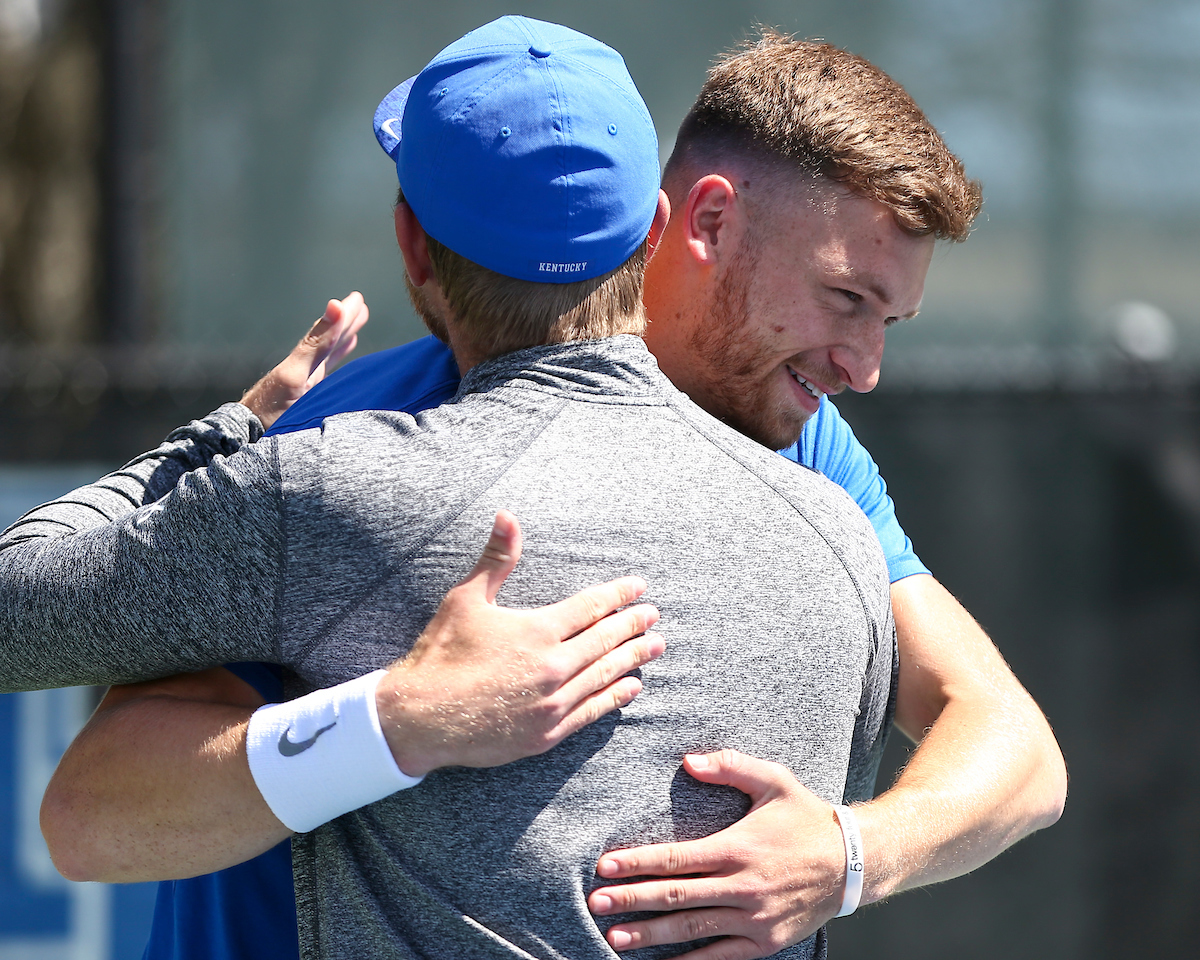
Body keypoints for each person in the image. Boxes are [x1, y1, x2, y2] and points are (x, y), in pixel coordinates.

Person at [37, 24, 1066, 960]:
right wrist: (395, 721)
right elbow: (93, 811)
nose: (866, 367)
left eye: (890, 319)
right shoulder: (340, 446)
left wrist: (850, 853)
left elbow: (1014, 744)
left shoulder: (811, 458)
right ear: (695, 221)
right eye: (845, 297)